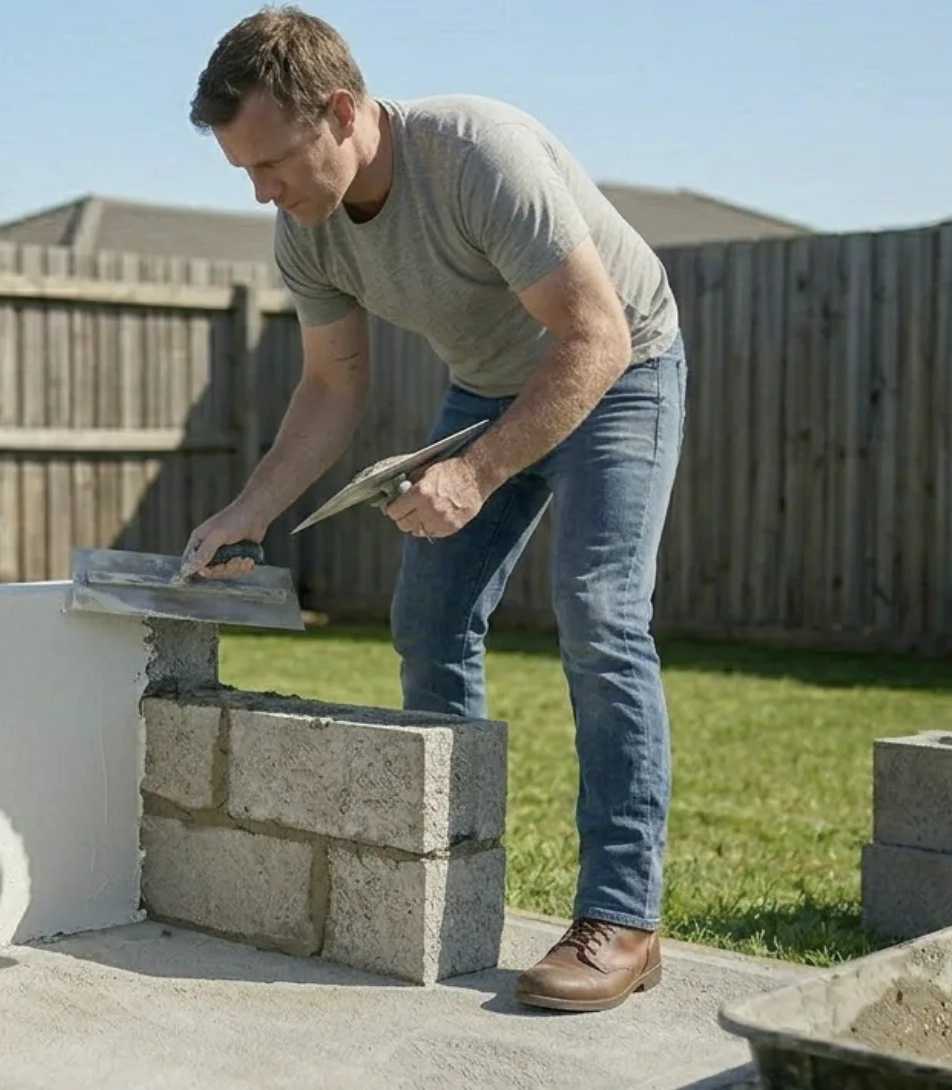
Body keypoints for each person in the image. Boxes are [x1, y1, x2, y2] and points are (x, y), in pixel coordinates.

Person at [181, 5, 687, 1013]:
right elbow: (331, 385)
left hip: (618, 366)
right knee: (429, 617)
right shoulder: (305, 232)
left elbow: (591, 338)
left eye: (271, 163)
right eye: (242, 173)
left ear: (340, 111)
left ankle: (622, 917)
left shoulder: (474, 154)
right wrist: (249, 508)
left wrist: (476, 473)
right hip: (490, 385)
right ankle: (449, 884)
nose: (261, 191)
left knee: (597, 610)